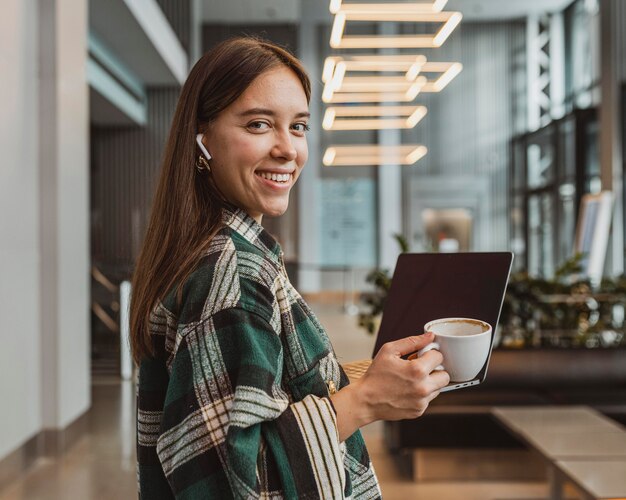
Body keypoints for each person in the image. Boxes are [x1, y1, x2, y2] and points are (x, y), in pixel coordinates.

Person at [131, 37, 449, 500]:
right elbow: (228, 480)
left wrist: (363, 375)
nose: (288, 150)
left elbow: (254, 393)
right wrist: (363, 402)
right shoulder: (233, 271)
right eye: (259, 124)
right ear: (203, 139)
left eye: (298, 126)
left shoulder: (220, 250)